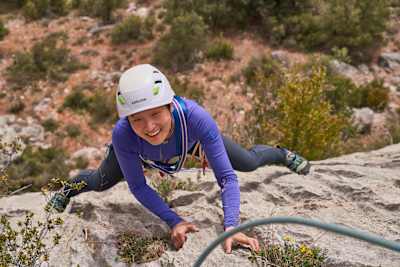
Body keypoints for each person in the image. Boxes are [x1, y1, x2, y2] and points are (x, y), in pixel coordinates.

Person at [48, 64, 310, 253]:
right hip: (139, 154)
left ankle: (281, 154)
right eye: (137, 119)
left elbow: (227, 178)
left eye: (155, 114)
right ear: (127, 119)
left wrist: (231, 226)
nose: (149, 126)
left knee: (248, 162)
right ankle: (67, 190)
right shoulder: (124, 134)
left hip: (189, 143)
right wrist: (174, 220)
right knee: (99, 180)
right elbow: (138, 186)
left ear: (170, 106)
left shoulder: (195, 118)